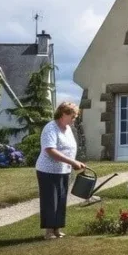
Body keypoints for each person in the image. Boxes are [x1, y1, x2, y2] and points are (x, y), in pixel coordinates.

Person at [35, 101, 86, 239]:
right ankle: (49, 231)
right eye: (73, 116)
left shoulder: (68, 129)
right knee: (50, 200)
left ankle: (57, 229)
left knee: (61, 199)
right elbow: (51, 151)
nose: (74, 119)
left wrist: (74, 162)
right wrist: (72, 161)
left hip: (63, 170)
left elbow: (68, 149)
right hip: (47, 170)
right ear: (63, 114)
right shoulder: (50, 128)